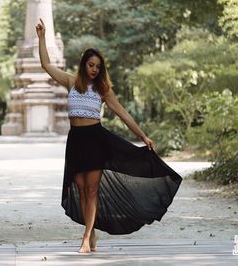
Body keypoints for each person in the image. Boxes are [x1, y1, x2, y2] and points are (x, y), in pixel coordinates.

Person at [36, 18, 182, 253]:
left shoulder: (103, 90)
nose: (94, 69)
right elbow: (46, 64)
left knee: (92, 190)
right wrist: (42, 38)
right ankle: (91, 232)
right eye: (91, 65)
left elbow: (123, 113)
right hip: (76, 141)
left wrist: (143, 136)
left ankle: (85, 238)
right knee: (81, 189)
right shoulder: (71, 82)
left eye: (98, 67)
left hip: (95, 140)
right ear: (84, 64)